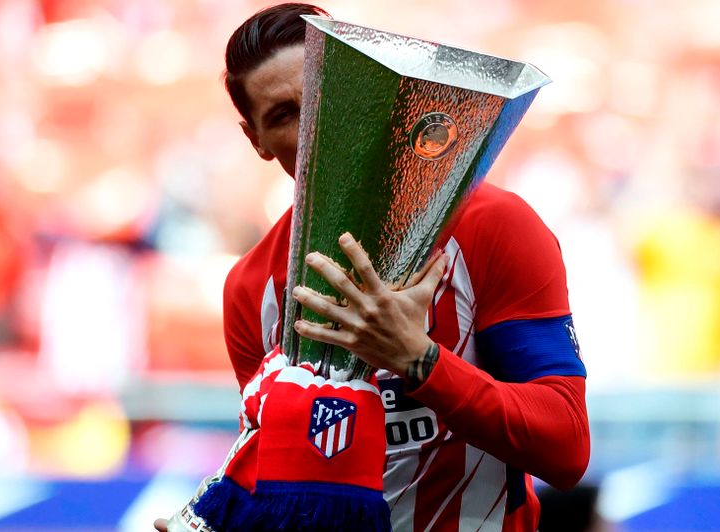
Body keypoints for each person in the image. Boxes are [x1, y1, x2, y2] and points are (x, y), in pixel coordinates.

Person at [158, 3, 589, 531]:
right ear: (257, 142)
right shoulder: (252, 288)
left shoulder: (494, 227)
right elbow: (283, 484)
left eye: (328, 96)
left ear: (369, 95)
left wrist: (420, 361)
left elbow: (566, 448)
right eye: (285, 114)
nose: (317, 125)